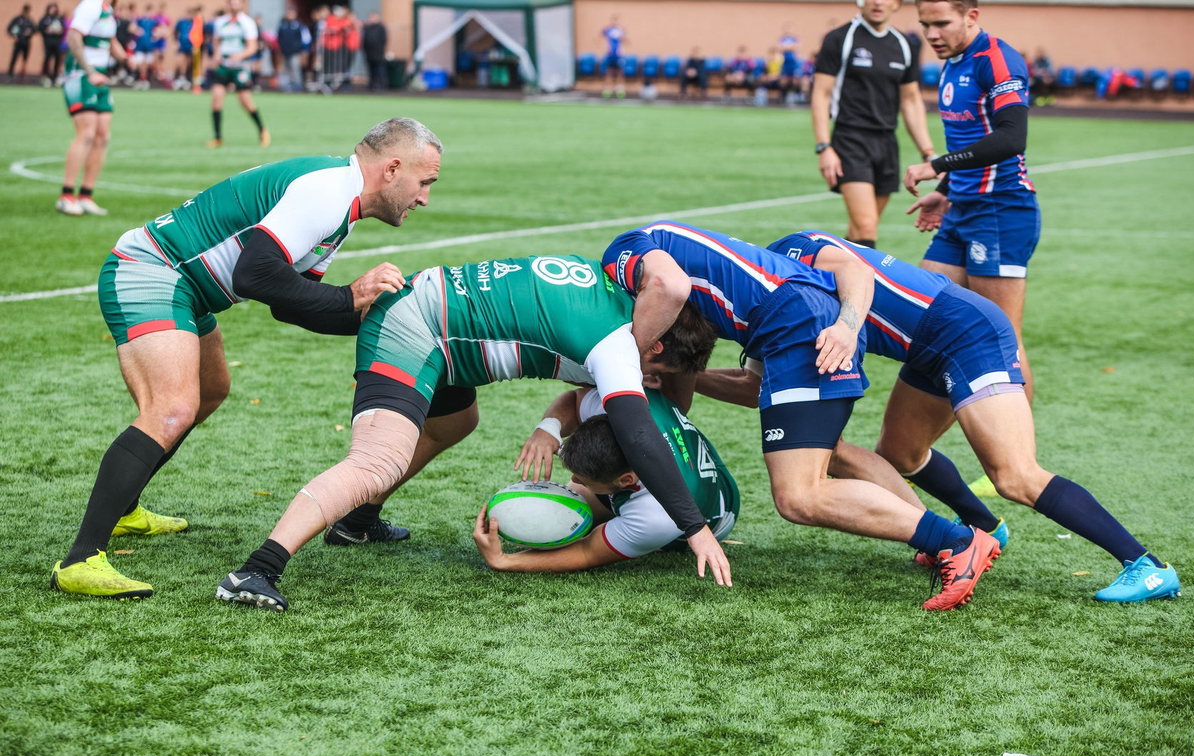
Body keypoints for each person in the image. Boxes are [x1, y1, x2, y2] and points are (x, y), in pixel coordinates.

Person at [49, 118, 442, 601]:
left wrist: (381, 317)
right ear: (393, 168)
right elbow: (255, 274)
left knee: (211, 390)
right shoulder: (327, 192)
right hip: (151, 270)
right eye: (425, 182)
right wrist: (347, 297)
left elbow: (291, 302)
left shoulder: (341, 201)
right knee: (171, 409)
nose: (424, 197)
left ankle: (124, 509)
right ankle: (80, 559)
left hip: (187, 288)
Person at [216, 256, 729, 611]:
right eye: (655, 373)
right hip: (419, 329)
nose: (650, 383)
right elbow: (640, 438)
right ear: (655, 346)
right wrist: (696, 527)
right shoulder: (619, 345)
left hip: (439, 319)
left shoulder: (616, 295)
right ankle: (257, 570)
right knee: (377, 461)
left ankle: (356, 520)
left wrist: (550, 428)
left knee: (457, 422)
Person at [762, 231, 1180, 603]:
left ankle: (1147, 566)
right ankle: (983, 526)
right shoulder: (776, 268)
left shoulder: (791, 252)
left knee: (1015, 476)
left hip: (965, 331)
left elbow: (851, 267)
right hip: (926, 345)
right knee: (900, 453)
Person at [602, 221, 999, 611]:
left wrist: (624, 365)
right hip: (792, 323)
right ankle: (939, 539)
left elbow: (667, 287)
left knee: (798, 496)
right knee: (835, 453)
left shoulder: (624, 252)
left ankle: (958, 542)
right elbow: (745, 389)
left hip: (797, 324)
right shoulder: (739, 283)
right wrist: (673, 376)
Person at [903, 0, 1039, 410]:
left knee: (1003, 339)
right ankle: (910, 448)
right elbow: (970, 139)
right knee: (930, 312)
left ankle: (1020, 461)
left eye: (941, 23)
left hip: (1000, 211)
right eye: (925, 25)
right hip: (961, 208)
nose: (931, 35)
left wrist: (936, 166)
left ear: (971, 17)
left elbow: (1012, 137)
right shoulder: (953, 60)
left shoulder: (995, 59)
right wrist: (945, 189)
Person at [473, 385, 739, 573]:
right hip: (690, 462)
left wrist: (504, 561)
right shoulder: (624, 403)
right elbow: (575, 399)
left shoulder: (657, 517)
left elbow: (587, 551)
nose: (574, 478)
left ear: (625, 481)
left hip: (716, 513)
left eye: (583, 478)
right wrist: (548, 429)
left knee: (574, 518)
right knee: (571, 508)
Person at [811, 0, 936, 250]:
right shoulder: (840, 39)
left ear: (897, 4)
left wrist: (928, 152)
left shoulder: (904, 44)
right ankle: (866, 288)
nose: (878, 2)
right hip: (850, 140)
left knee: (861, 230)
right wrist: (824, 146)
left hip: (887, 143)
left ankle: (829, 282)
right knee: (866, 226)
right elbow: (821, 94)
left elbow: (911, 100)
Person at [56, 0, 126, 217]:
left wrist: (125, 58)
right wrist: (89, 71)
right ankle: (66, 196)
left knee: (102, 135)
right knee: (86, 133)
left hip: (100, 77)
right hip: (81, 75)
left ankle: (86, 195)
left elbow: (110, 42)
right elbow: (73, 38)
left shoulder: (108, 9)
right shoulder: (91, 5)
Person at [206, 0, 268, 147]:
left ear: (241, 4)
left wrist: (239, 55)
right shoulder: (221, 22)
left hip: (240, 67)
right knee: (216, 98)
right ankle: (217, 137)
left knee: (245, 101)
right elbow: (216, 42)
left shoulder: (247, 22)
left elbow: (252, 47)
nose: (234, 5)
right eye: (231, 3)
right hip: (223, 66)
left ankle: (262, 130)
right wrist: (216, 55)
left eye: (236, 3)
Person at [276, 7, 310, 92]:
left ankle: (297, 85)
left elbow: (305, 38)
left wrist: (304, 50)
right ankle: (287, 85)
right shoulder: (283, 25)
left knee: (294, 67)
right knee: (286, 68)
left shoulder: (299, 25)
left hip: (295, 51)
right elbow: (279, 38)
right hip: (285, 51)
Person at [38, 3, 65, 85]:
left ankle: (55, 76)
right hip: (48, 42)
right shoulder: (45, 18)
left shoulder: (59, 18)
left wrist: (60, 31)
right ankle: (47, 77)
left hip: (57, 42)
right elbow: (39, 28)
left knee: (57, 59)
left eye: (54, 9)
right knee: (47, 59)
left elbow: (63, 29)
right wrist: (47, 30)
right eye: (51, 9)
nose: (52, 10)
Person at [599, 15, 625, 99]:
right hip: (609, 54)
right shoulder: (608, 29)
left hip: (618, 54)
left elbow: (625, 40)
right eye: (614, 20)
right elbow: (599, 36)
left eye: (617, 20)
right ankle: (607, 90)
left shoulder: (621, 30)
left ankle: (619, 90)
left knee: (619, 72)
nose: (616, 22)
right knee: (608, 72)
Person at [7, 4, 36, 77]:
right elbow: (9, 28)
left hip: (26, 42)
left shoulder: (29, 20)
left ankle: (22, 72)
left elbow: (35, 29)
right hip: (18, 41)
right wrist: (14, 35)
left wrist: (31, 32)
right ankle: (10, 73)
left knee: (25, 58)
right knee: (14, 57)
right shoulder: (17, 19)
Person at [362, 11, 386, 91]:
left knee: (379, 69)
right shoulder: (368, 28)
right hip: (369, 53)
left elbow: (383, 40)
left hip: (378, 53)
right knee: (371, 70)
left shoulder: (381, 28)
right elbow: (365, 40)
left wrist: (380, 50)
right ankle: (372, 85)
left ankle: (382, 85)